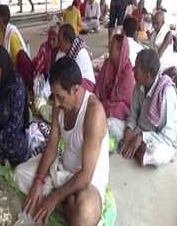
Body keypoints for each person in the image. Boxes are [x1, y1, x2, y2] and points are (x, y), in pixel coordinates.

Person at [15, 57, 109, 226]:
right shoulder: (59, 105)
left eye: (60, 96)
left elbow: (86, 175)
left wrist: (53, 198)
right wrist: (39, 181)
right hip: (62, 171)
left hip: (86, 183)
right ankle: (65, 201)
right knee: (20, 174)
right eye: (54, 96)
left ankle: (60, 198)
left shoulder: (94, 113)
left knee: (85, 215)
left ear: (76, 89)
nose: (56, 103)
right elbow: (52, 145)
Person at [118, 49, 177, 167]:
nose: (133, 71)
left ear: (147, 76)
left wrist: (142, 138)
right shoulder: (138, 85)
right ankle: (139, 151)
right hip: (138, 130)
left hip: (157, 139)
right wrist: (129, 130)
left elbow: (168, 137)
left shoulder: (167, 94)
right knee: (112, 125)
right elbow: (132, 115)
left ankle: (141, 151)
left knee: (157, 154)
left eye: (137, 70)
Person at [96, 35, 135, 139]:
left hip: (120, 116)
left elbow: (123, 107)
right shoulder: (108, 64)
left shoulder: (128, 74)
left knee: (108, 124)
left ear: (119, 50)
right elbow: (98, 85)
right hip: (104, 105)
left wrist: (104, 108)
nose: (109, 47)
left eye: (112, 46)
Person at [57, 24, 96, 92]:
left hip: (85, 83)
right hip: (73, 81)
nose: (58, 44)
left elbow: (74, 78)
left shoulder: (80, 53)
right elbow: (56, 69)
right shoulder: (62, 51)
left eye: (60, 41)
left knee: (68, 90)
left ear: (67, 41)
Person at [150, 11, 177, 78]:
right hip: (156, 62)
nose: (155, 26)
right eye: (153, 23)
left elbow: (159, 54)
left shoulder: (168, 34)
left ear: (163, 22)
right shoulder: (155, 32)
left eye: (157, 23)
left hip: (164, 66)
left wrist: (149, 64)